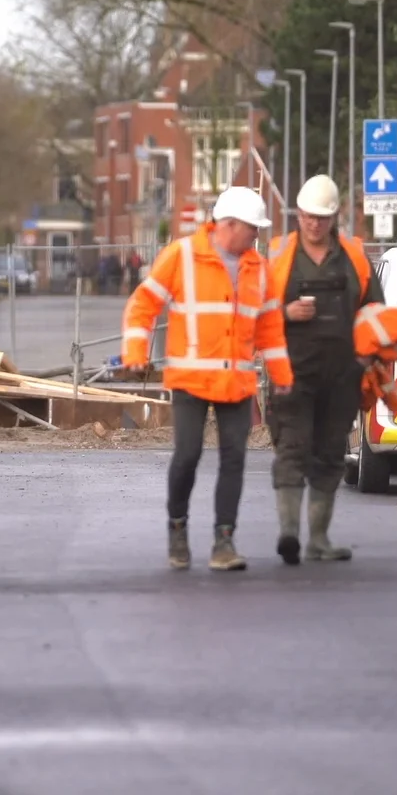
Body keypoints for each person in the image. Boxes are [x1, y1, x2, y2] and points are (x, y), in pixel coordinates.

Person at [123, 186, 291, 571]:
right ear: (229, 225)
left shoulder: (259, 268)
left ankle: (224, 542)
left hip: (237, 384)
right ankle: (177, 529)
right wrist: (135, 352)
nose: (257, 236)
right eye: (253, 228)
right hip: (190, 380)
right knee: (188, 455)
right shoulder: (181, 256)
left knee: (235, 459)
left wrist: (282, 376)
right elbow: (142, 305)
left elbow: (271, 329)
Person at [265, 175, 384, 566]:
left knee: (331, 453)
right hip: (291, 374)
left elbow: (375, 312)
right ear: (297, 213)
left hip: (342, 376)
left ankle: (318, 539)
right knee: (292, 449)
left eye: (321, 217)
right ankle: (288, 535)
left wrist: (368, 360)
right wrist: (285, 313)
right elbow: (253, 311)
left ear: (334, 217)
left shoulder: (354, 256)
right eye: (307, 216)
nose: (313, 224)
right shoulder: (278, 254)